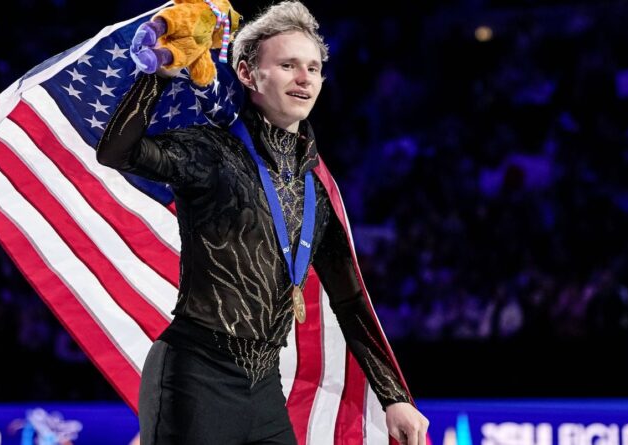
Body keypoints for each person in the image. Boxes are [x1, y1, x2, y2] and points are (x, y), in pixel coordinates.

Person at [96, 1, 430, 444]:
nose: (304, 77)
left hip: (265, 390)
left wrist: (394, 397)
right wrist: (158, 74)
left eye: (313, 68)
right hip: (195, 378)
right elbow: (117, 152)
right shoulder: (210, 152)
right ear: (248, 74)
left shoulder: (316, 189)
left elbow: (350, 300)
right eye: (288, 65)